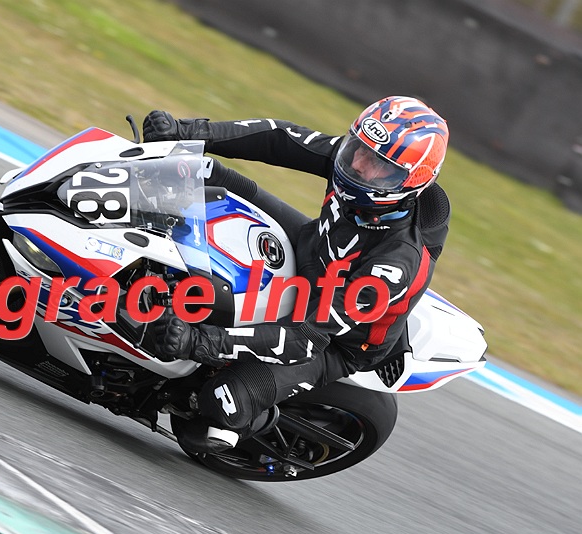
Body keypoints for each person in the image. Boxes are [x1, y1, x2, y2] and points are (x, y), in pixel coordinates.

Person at [143, 96, 452, 452]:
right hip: (313, 248)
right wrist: (185, 132)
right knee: (204, 172)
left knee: (221, 402)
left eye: (377, 164)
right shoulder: (359, 162)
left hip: (334, 340)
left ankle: (253, 423)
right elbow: (280, 137)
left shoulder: (395, 264)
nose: (357, 165)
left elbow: (305, 338)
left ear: (410, 183)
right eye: (359, 148)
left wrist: (200, 342)